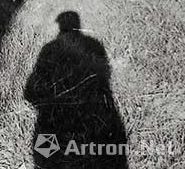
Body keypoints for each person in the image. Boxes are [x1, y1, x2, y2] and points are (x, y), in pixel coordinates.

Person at [24, 11, 128, 168]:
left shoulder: (51, 48)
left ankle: (47, 162)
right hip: (85, 114)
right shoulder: (92, 44)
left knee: (49, 130)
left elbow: (32, 90)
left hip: (61, 111)